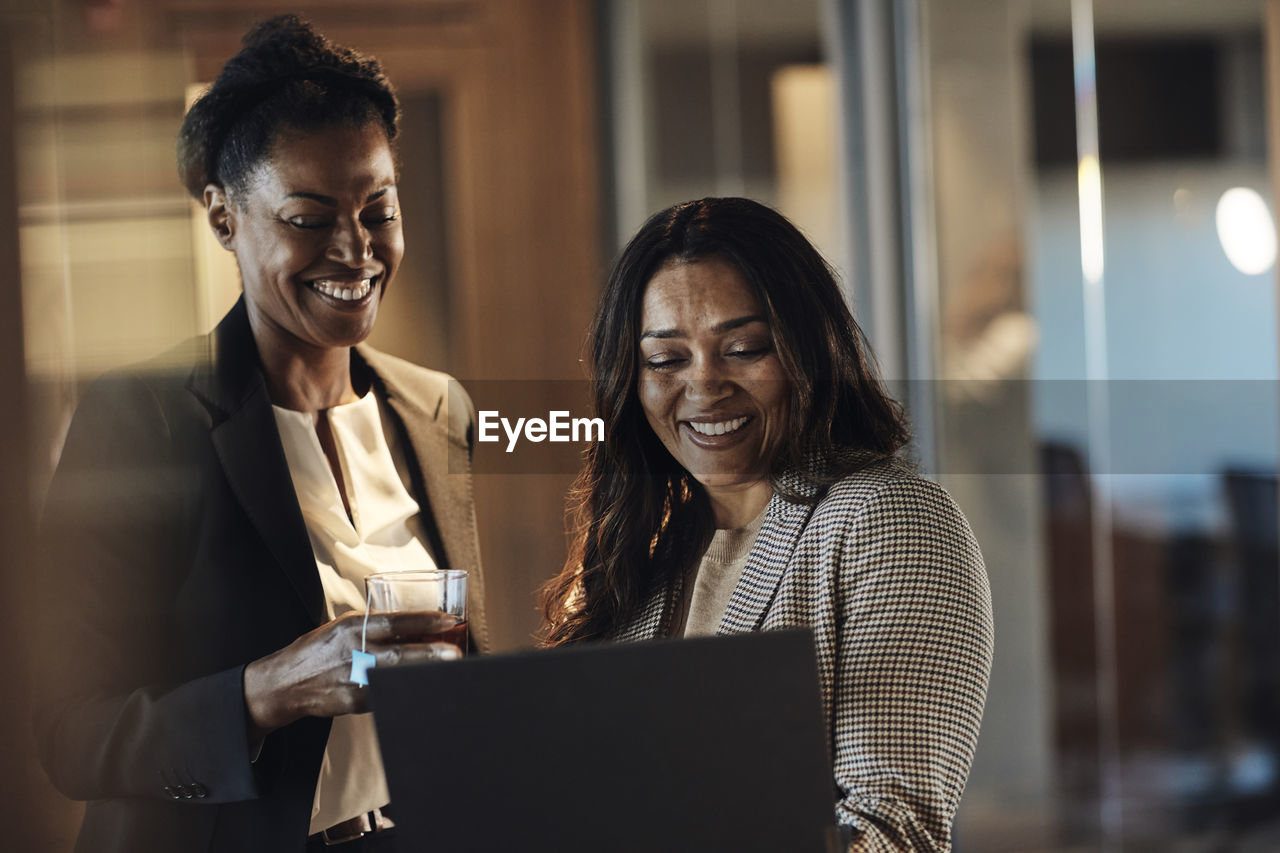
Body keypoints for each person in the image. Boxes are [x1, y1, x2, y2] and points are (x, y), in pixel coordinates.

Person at [33, 15, 487, 853]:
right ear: (223, 218)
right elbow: (71, 733)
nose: (355, 249)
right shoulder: (142, 419)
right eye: (309, 218)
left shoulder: (436, 409)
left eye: (377, 209)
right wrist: (267, 691)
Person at [541, 197, 994, 851]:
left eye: (744, 348)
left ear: (807, 351)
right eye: (667, 360)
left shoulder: (887, 519)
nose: (704, 385)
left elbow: (895, 828)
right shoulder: (645, 555)